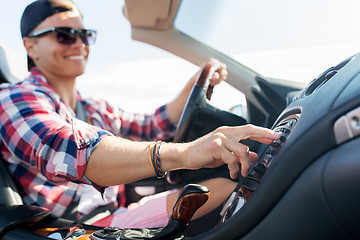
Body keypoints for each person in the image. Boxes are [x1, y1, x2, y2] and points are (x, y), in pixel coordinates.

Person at [0, 0, 280, 228]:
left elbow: (151, 125)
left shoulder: (95, 107)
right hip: (75, 229)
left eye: (85, 35)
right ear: (30, 46)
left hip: (115, 214)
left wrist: (196, 81)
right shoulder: (13, 99)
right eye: (64, 35)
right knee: (224, 190)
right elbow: (73, 151)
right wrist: (186, 154)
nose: (79, 43)